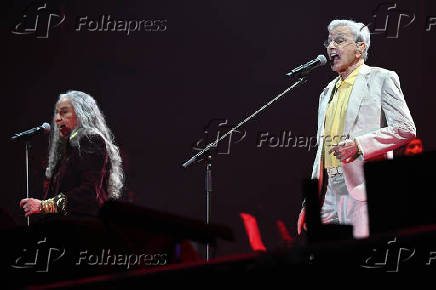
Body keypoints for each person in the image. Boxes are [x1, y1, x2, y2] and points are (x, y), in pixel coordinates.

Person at [297, 19, 416, 238]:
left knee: (360, 256)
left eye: (339, 40)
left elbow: (406, 128)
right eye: (329, 41)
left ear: (361, 47)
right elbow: (320, 151)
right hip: (327, 192)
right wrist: (309, 203)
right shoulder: (326, 92)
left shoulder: (381, 78)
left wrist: (359, 145)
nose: (331, 47)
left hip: (363, 189)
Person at [20, 90, 124, 217]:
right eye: (57, 113)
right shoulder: (67, 148)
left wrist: (44, 206)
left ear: (82, 114)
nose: (57, 118)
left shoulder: (91, 140)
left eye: (64, 112)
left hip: (82, 227)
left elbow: (88, 192)